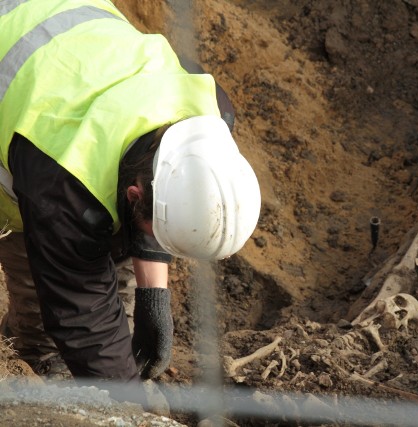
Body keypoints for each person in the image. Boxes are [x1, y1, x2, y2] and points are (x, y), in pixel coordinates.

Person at [0, 0, 261, 400]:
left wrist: (153, 299)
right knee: (42, 276)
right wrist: (128, 404)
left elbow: (167, 196)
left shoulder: (209, 119)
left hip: (53, 21)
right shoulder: (64, 179)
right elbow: (79, 306)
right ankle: (35, 356)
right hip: (29, 93)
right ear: (135, 193)